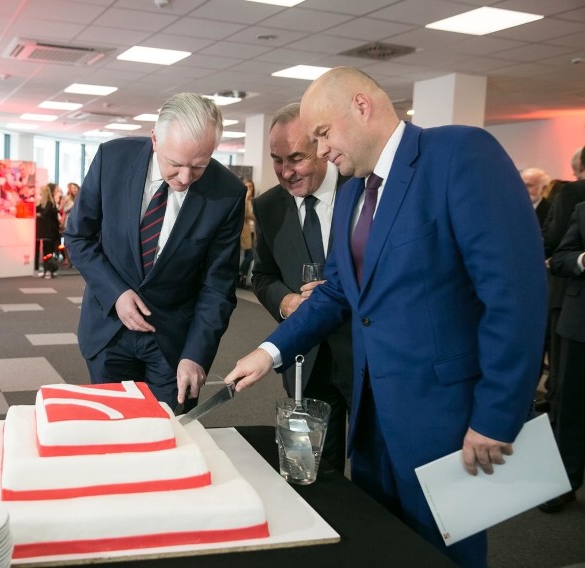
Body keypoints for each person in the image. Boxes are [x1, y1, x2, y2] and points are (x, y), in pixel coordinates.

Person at [224, 68, 546, 568]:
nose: (322, 150)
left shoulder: (460, 155)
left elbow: (515, 298)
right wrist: (270, 352)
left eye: (323, 134)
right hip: (374, 419)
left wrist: (496, 417)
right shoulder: (354, 191)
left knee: (447, 554)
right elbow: (336, 292)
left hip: (448, 422)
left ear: (361, 106)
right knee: (386, 545)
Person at [64, 92, 245, 410]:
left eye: (199, 166)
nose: (186, 178)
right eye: (175, 164)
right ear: (155, 140)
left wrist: (196, 355)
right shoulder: (113, 159)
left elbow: (218, 286)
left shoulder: (227, 193)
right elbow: (79, 237)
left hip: (174, 342)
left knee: (170, 437)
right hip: (109, 330)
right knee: (113, 433)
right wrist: (116, 293)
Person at [250, 102, 352, 474]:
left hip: (364, 354)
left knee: (376, 471)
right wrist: (288, 302)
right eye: (277, 160)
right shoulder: (268, 206)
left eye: (296, 158)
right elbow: (261, 276)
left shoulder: (359, 190)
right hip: (306, 359)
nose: (285, 172)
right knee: (312, 469)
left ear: (321, 149)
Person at [545, 200, 585, 513]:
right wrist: (582, 259)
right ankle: (564, 483)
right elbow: (559, 259)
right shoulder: (582, 210)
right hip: (579, 325)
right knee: (570, 408)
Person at [35, 182, 60, 278]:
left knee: (48, 252)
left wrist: (39, 214)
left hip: (49, 233)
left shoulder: (50, 203)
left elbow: (43, 214)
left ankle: (48, 270)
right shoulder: (42, 203)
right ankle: (46, 270)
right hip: (44, 232)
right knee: (46, 253)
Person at [237, 179, 255, 289]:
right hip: (244, 232)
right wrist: (246, 199)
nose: (249, 189)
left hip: (254, 232)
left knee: (250, 255)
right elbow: (247, 214)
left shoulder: (254, 200)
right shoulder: (242, 200)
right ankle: (240, 275)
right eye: (246, 186)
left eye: (251, 187)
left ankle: (242, 277)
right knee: (248, 255)